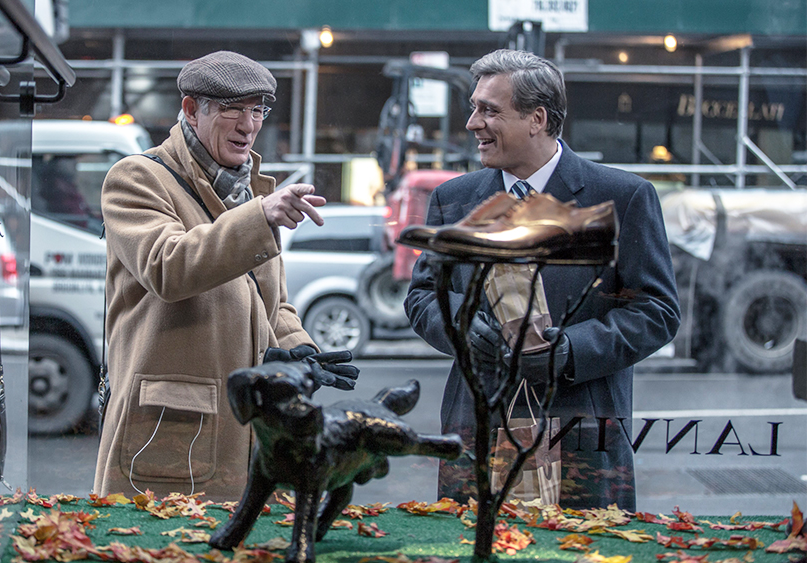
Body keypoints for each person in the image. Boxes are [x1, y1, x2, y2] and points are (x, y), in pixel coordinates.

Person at [405, 49, 681, 510]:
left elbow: (657, 312)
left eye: (489, 110)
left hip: (581, 432)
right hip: (476, 430)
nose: (473, 123)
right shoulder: (453, 200)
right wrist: (463, 324)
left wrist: (571, 350)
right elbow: (422, 299)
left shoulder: (621, 197)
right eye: (474, 108)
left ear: (537, 118)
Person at [94, 51, 356, 500]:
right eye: (233, 108)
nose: (248, 125)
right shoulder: (137, 177)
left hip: (251, 429)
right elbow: (167, 266)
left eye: (257, 110)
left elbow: (273, 304)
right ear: (192, 109)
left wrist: (299, 352)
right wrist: (259, 216)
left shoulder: (250, 191)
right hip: (169, 428)